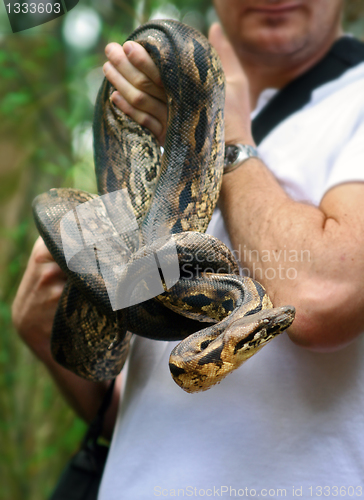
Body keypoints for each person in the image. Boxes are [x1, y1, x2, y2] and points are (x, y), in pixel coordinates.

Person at [12, 0, 364, 498]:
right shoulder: (158, 117)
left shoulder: (352, 101)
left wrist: (227, 135)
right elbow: (154, 410)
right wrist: (55, 346)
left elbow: (319, 298)